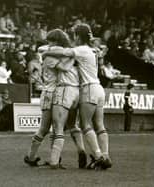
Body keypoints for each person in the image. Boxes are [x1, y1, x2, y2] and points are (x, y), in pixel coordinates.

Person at [43, 24, 112, 170]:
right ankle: (105, 155)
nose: (73, 38)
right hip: (99, 88)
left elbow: (63, 52)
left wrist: (45, 51)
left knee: (85, 125)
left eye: (75, 35)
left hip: (88, 88)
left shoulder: (80, 50)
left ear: (78, 36)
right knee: (100, 126)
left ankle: (99, 156)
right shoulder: (93, 50)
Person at [24, 29, 86, 169]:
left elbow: (44, 49)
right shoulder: (50, 57)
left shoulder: (51, 53)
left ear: (56, 41)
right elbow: (64, 67)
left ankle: (51, 158)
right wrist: (73, 59)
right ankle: (32, 157)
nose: (49, 43)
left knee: (51, 128)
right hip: (50, 92)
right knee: (46, 128)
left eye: (51, 40)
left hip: (52, 92)